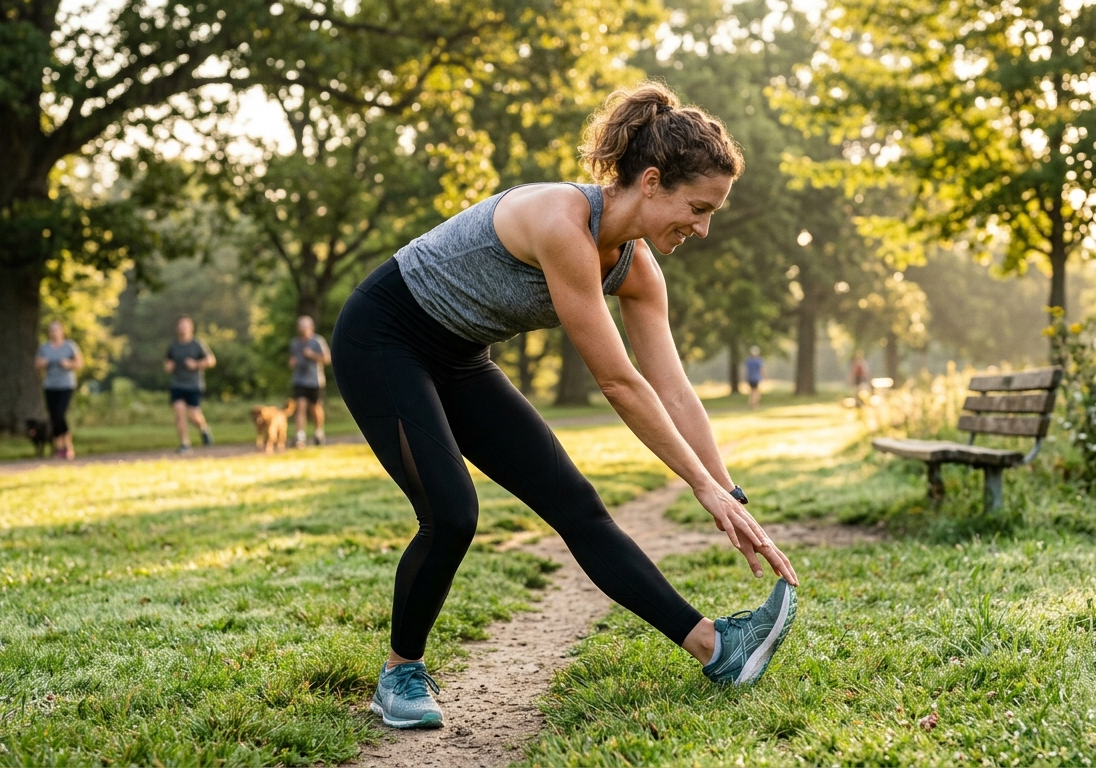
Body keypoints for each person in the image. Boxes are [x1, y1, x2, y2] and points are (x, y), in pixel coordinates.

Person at [331, 81, 800, 731]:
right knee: (452, 511)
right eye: (696, 208)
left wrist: (726, 492)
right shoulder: (561, 221)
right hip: (384, 337)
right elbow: (619, 382)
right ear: (652, 181)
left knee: (578, 507)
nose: (703, 227)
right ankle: (399, 672)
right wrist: (699, 488)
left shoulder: (636, 270)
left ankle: (719, 649)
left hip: (460, 357)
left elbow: (671, 386)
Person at [164, 315, 216, 454]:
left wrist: (196, 364)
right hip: (177, 384)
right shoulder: (173, 346)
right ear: (177, 328)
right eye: (180, 325)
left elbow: (211, 360)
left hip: (194, 384)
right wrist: (169, 366)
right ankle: (185, 444)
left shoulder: (197, 344)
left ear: (190, 328)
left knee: (193, 415)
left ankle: (204, 429)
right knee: (179, 413)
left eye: (185, 325)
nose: (182, 328)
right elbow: (168, 362)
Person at [35, 320, 83, 460]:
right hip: (50, 385)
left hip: (66, 385)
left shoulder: (69, 346)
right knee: (53, 417)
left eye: (56, 330)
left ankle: (67, 445)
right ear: (49, 333)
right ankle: (59, 448)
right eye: (51, 330)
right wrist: (42, 363)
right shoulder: (44, 348)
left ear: (62, 331)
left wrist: (68, 364)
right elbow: (37, 364)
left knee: (59, 414)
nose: (54, 333)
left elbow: (79, 363)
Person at [288, 315, 332, 448]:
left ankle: (319, 433)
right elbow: (291, 360)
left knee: (315, 408)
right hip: (299, 380)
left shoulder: (318, 341)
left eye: (305, 326)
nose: (303, 329)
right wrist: (292, 362)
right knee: (300, 407)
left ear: (311, 327)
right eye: (300, 326)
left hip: (315, 381)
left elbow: (327, 360)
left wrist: (312, 355)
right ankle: (300, 437)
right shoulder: (295, 343)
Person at [744, 345, 764, 410]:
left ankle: (751, 402)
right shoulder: (758, 361)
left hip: (750, 378)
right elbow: (761, 370)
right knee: (756, 391)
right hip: (756, 378)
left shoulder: (749, 361)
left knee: (752, 391)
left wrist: (745, 377)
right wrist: (764, 377)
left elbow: (746, 370)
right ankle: (755, 404)